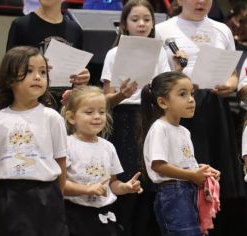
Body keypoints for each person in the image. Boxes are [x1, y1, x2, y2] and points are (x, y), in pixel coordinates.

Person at [100, 0, 185, 235]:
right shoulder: (113, 53)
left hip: (150, 119)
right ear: (125, 24)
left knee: (150, 182)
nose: (141, 24)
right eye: (135, 19)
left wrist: (175, 72)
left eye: (146, 19)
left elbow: (163, 93)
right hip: (122, 118)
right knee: (126, 178)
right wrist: (122, 93)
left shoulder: (160, 53)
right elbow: (105, 100)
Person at [155, 0, 246, 205]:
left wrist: (230, 84)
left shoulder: (222, 29)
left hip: (214, 105)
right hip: (177, 108)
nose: (201, 1)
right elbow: (155, 76)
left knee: (216, 167)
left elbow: (232, 73)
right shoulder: (162, 29)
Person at [0, 46, 68, 236]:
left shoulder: (52, 117)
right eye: (29, 71)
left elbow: (61, 161)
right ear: (10, 78)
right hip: (9, 196)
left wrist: (56, 196)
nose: (38, 77)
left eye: (43, 72)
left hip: (47, 195)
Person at [140, 71, 220, 236]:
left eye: (192, 94)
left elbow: (182, 162)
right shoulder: (159, 128)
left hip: (189, 191)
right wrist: (192, 174)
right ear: (162, 102)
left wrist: (201, 170)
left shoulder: (184, 131)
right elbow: (158, 165)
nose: (191, 99)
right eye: (182, 94)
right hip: (173, 194)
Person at [61, 85, 143, 236]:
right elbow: (61, 184)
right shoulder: (66, 144)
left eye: (102, 111)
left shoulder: (108, 147)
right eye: (89, 112)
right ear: (72, 117)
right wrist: (86, 189)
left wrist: (125, 187)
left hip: (105, 214)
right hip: (75, 214)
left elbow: (112, 184)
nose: (97, 116)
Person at [6, 0, 90, 109]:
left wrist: (82, 78)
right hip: (29, 103)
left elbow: (78, 73)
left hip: (63, 104)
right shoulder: (22, 25)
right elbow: (9, 68)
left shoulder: (74, 29)